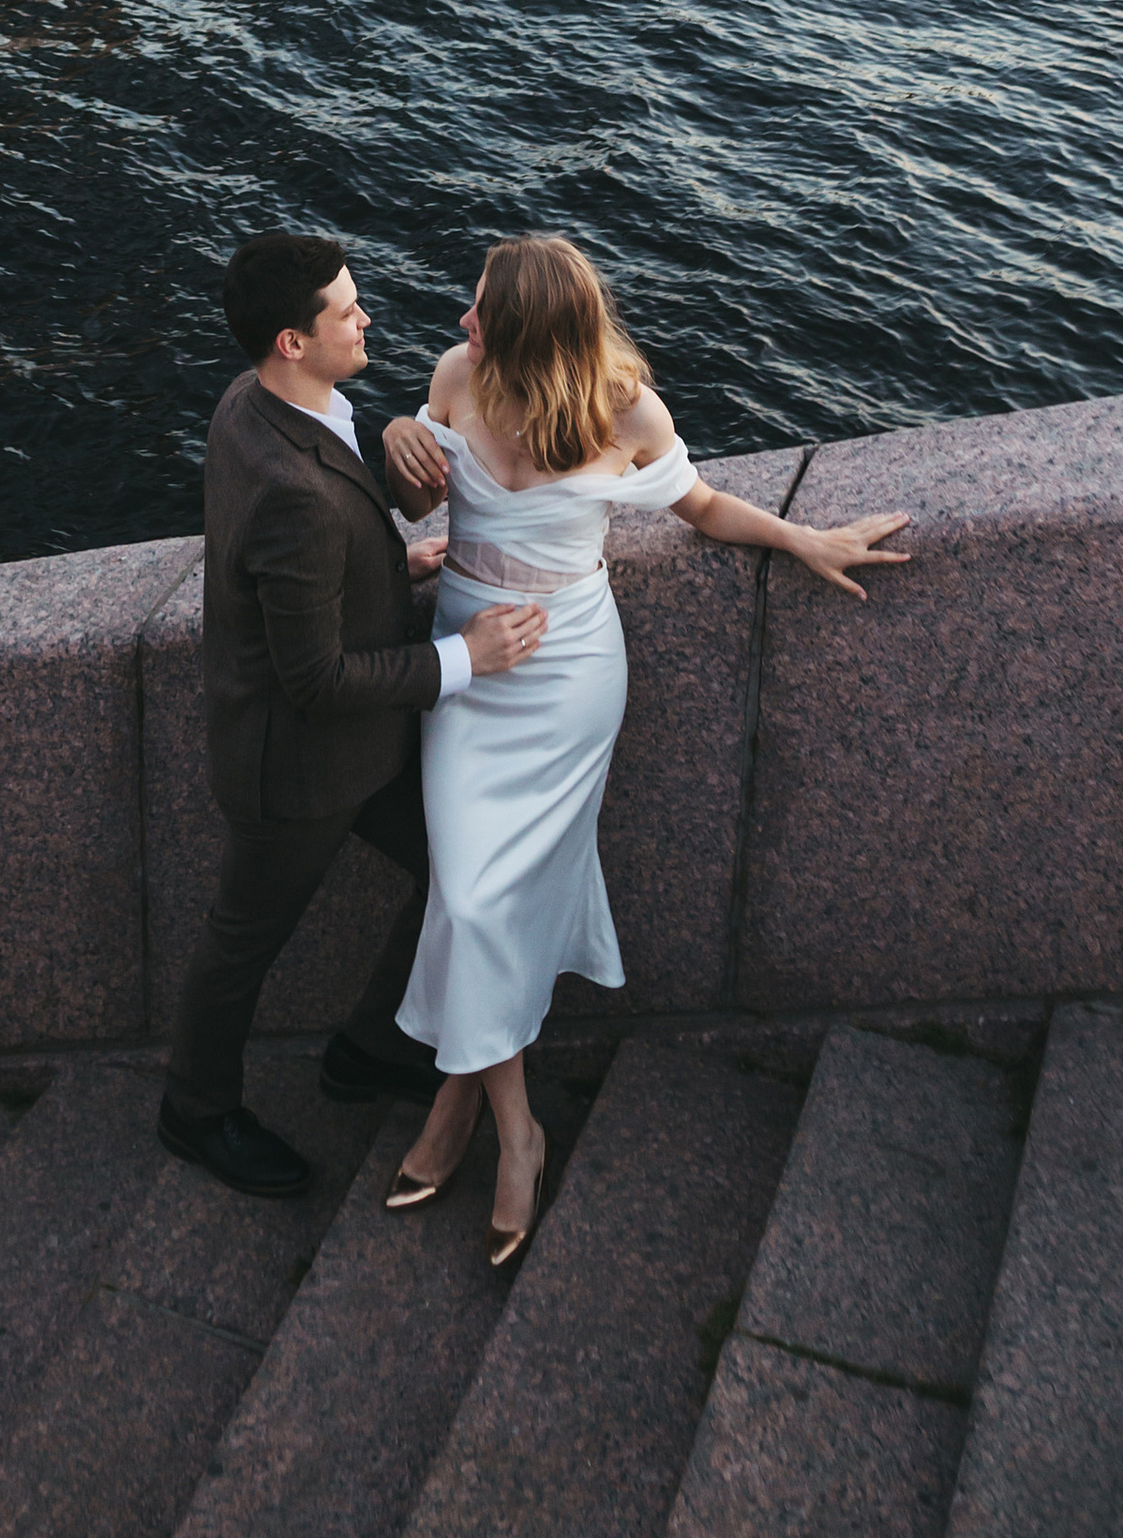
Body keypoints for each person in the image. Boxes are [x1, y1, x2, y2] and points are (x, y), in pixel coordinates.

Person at [380, 234, 910, 1268]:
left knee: (489, 898)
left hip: (570, 674)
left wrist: (803, 539)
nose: (459, 323)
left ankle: (462, 1111)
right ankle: (510, 1124)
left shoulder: (626, 408)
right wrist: (401, 434)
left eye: (479, 309)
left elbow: (700, 508)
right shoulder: (453, 380)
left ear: (530, 332)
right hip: (470, 661)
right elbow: (410, 504)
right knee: (470, 891)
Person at [159, 230, 550, 1198]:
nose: (367, 316)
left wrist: (388, 552)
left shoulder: (259, 402)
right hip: (298, 768)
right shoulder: (292, 489)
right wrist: (468, 655)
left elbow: (316, 551)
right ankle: (195, 1112)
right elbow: (318, 681)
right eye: (346, 309)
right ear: (293, 340)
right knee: (240, 943)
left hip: (352, 754)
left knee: (458, 870)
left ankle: (370, 1049)